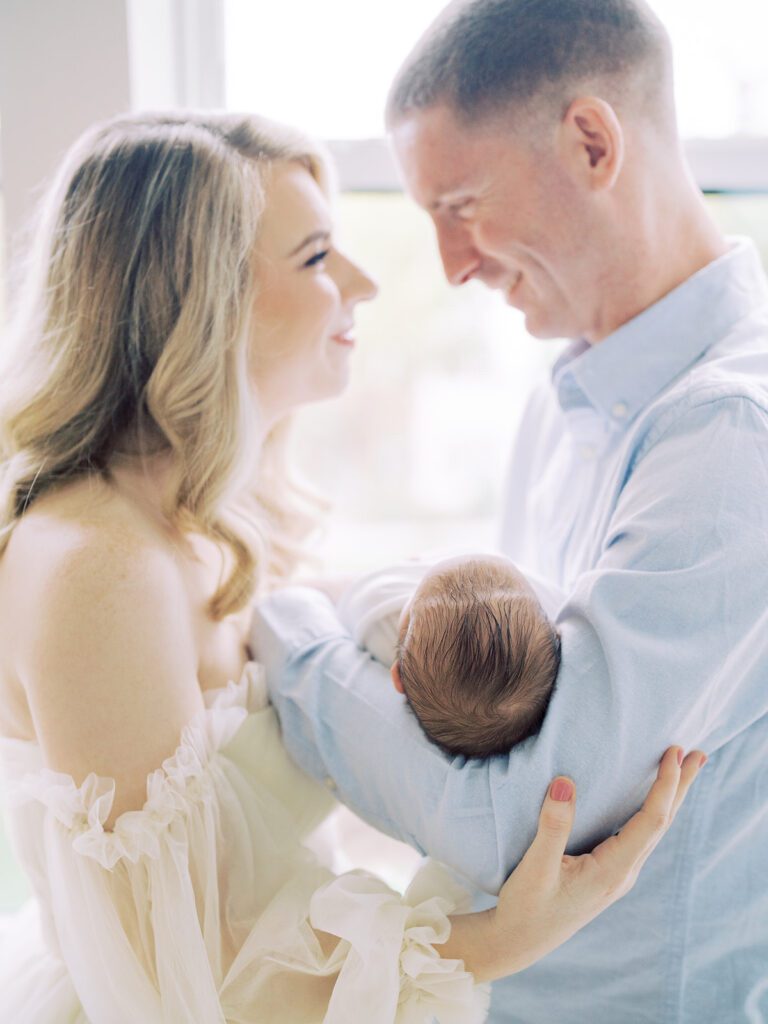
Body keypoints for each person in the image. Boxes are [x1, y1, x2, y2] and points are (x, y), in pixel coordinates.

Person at [0, 110, 702, 1023]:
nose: (364, 283)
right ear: (196, 299)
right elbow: (167, 973)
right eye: (317, 257)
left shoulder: (209, 519)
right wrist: (495, 942)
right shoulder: (102, 566)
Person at [251, 1, 768, 1021]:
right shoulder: (567, 397)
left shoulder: (730, 440)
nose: (448, 264)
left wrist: (289, 627)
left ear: (591, 142)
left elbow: (514, 816)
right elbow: (492, 721)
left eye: (461, 203)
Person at [333, 553, 562, 757]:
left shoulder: (380, 623)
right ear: (557, 635)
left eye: (415, 593)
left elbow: (350, 600)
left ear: (399, 678)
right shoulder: (553, 611)